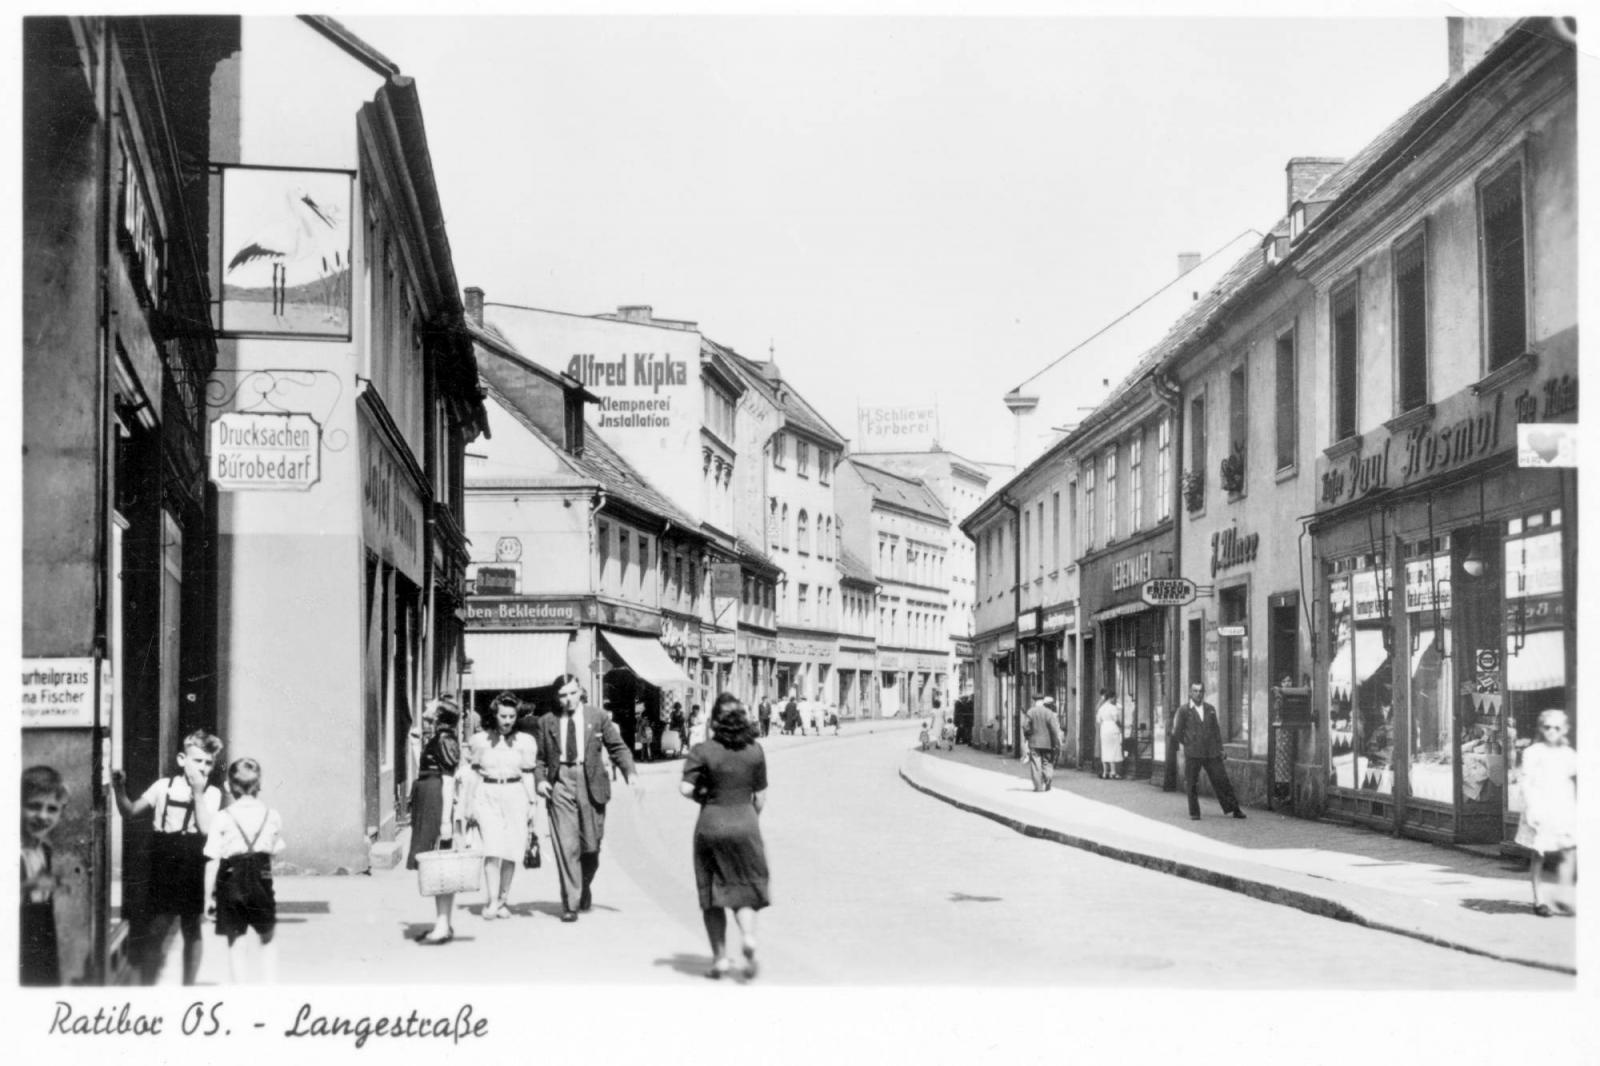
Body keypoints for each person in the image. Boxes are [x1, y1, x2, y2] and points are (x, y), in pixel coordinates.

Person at [110, 729, 224, 985]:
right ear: (182, 759)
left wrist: (197, 793)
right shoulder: (163, 786)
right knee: (157, 926)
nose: (203, 767)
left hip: (193, 858)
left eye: (208, 762)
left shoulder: (212, 793)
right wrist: (119, 788)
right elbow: (130, 811)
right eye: (198, 761)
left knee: (192, 927)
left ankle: (188, 985)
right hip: (164, 857)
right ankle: (149, 982)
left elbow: (206, 829)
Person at [533, 673, 640, 922]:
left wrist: (630, 773)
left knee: (591, 847)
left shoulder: (597, 717)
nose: (568, 699)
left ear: (580, 691)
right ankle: (570, 902)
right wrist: (540, 781)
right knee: (567, 845)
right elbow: (539, 759)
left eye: (572, 693)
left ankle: (583, 884)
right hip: (560, 782)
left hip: (590, 781)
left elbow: (618, 747)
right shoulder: (546, 721)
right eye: (562, 695)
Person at [680, 693, 770, 980]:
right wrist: (748, 817)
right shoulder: (755, 751)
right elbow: (761, 797)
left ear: (714, 720)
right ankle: (748, 937)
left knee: (712, 893)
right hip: (746, 823)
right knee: (744, 888)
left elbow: (685, 788)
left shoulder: (702, 751)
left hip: (712, 823)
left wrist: (703, 795)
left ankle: (719, 958)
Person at [204, 757, 286, 984]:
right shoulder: (272, 816)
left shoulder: (222, 817)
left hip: (230, 882)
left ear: (229, 787)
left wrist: (207, 899)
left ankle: (240, 994)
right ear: (260, 785)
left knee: (236, 943)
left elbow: (212, 860)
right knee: (267, 938)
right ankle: (270, 990)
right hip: (261, 881)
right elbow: (274, 852)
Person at [462, 693, 538, 920]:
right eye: (503, 716)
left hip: (515, 794)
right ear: (494, 715)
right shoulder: (480, 740)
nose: (507, 721)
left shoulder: (526, 741)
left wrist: (533, 804)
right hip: (487, 794)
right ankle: (492, 900)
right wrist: (468, 804)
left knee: (511, 850)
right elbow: (473, 773)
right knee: (492, 849)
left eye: (512, 716)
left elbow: (528, 774)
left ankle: (503, 899)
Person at [407, 698, 463, 944]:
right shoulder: (439, 738)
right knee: (436, 863)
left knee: (440, 864)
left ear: (439, 715)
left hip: (435, 803)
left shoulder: (444, 739)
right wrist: (415, 745)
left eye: (433, 705)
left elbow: (448, 780)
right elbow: (426, 770)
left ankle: (442, 925)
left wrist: (445, 821)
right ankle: (442, 923)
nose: (427, 705)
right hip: (430, 799)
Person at [21, 766, 84, 986]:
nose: (42, 816)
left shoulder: (44, 851)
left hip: (40, 949)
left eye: (52, 809)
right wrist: (29, 886)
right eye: (34, 806)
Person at [1515, 709, 1577, 917]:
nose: (1551, 731)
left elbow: (1573, 776)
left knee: (1568, 851)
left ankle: (1563, 895)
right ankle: (1539, 899)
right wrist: (1532, 808)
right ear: (1541, 729)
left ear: (1564, 730)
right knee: (1539, 854)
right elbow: (1526, 782)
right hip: (1540, 807)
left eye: (1557, 727)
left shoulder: (1568, 754)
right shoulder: (1533, 752)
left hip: (1562, 807)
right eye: (1547, 727)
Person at [1171, 682, 1245, 820]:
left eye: (1200, 691)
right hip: (1193, 753)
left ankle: (1235, 809)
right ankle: (1194, 813)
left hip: (1211, 752)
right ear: (1190, 693)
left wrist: (1220, 749)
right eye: (1195, 691)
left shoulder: (1210, 709)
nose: (1198, 694)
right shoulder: (1184, 710)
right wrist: (1188, 743)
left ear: (1203, 693)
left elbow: (1216, 731)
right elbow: (1177, 732)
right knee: (1192, 782)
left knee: (1222, 780)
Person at [1023, 696, 1062, 792]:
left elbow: (1025, 726)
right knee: (1047, 762)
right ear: (1043, 701)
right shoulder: (1049, 713)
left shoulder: (1030, 712)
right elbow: (1054, 729)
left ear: (1034, 702)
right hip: (1048, 743)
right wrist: (1055, 742)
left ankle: (1038, 787)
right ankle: (1048, 779)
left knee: (1036, 764)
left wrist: (1028, 736)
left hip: (1034, 743)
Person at [1096, 689, 1124, 780]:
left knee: (1105, 749)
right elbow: (1117, 720)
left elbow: (1098, 720)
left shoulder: (1101, 708)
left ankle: (1105, 772)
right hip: (1113, 728)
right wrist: (1121, 728)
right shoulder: (1113, 708)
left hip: (1104, 729)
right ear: (1111, 698)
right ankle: (1113, 772)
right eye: (1114, 697)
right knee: (1114, 749)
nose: (1115, 699)